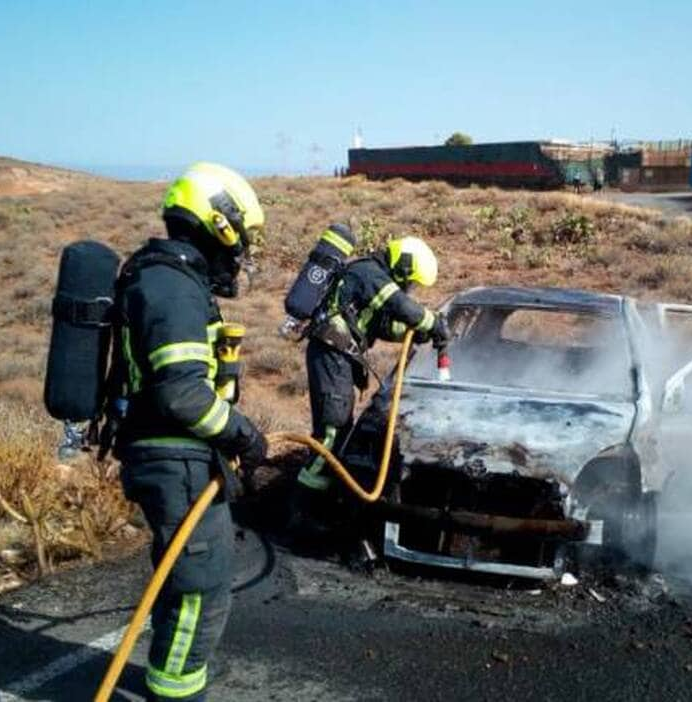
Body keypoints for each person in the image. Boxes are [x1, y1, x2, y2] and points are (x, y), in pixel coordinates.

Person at [112, 162, 269, 702]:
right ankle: (175, 694)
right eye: (241, 239)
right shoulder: (172, 287)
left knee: (183, 582)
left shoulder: (167, 278)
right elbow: (183, 395)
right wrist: (243, 434)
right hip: (174, 459)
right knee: (199, 590)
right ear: (221, 226)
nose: (241, 252)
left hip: (177, 458)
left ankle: (171, 677)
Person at [291, 236, 450, 529]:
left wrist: (417, 333)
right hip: (331, 355)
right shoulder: (369, 274)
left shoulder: (372, 277)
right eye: (411, 280)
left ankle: (325, 503)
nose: (409, 287)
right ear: (403, 266)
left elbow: (384, 325)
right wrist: (432, 322)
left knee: (339, 430)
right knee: (331, 431)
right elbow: (401, 306)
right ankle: (303, 511)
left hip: (338, 358)